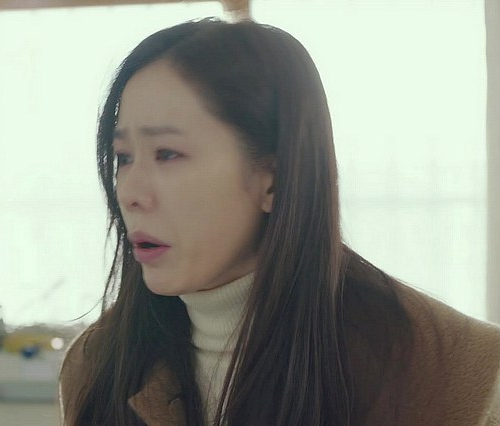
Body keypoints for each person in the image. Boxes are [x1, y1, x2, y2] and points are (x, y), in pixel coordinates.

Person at [59, 18, 500, 426]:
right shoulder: (96, 364)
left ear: (274, 177)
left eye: (167, 154)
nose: (130, 193)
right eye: (123, 158)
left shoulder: (461, 374)